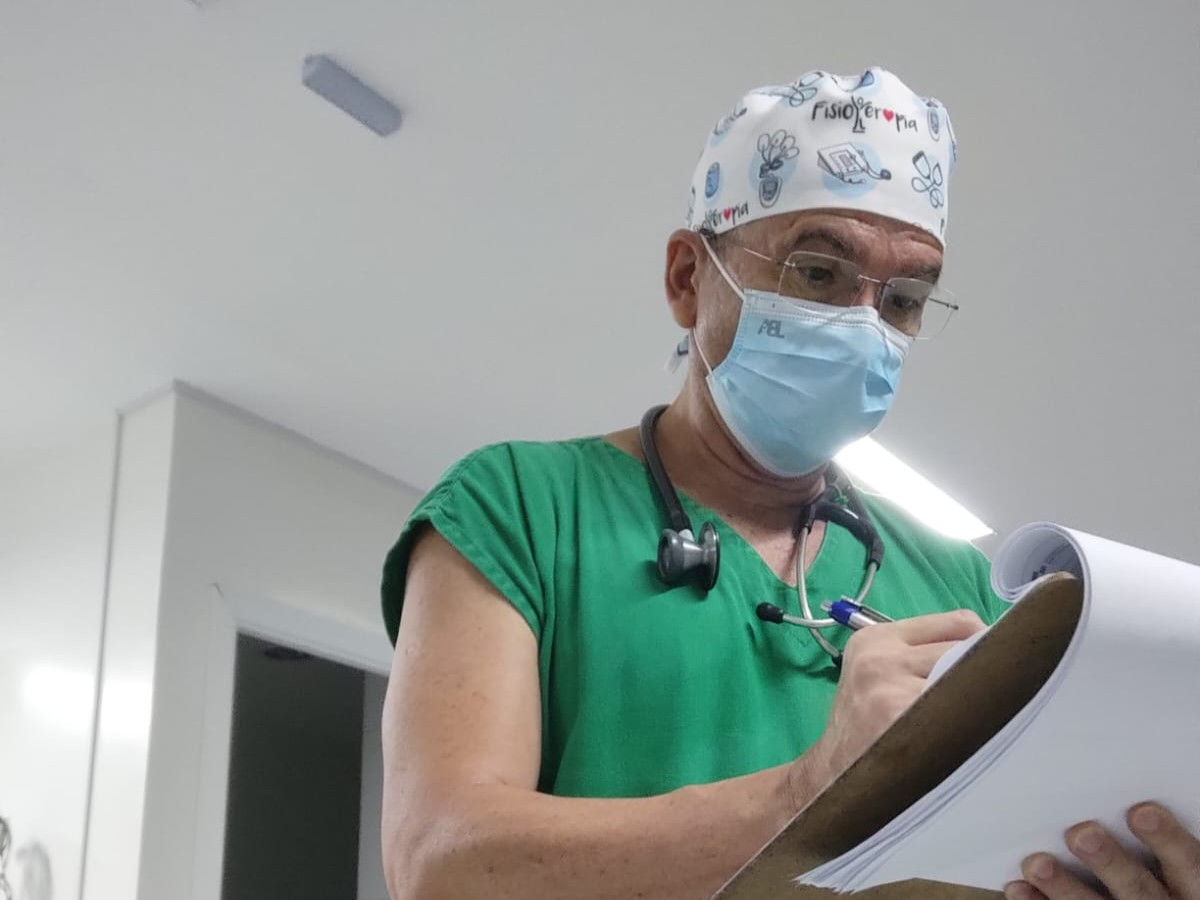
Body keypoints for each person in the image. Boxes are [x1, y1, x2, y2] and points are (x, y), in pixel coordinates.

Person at [378, 68, 1200, 900]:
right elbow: (441, 864)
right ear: (687, 278)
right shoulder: (518, 508)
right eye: (817, 272)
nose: (863, 325)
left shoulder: (962, 586)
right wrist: (812, 791)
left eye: (904, 299)